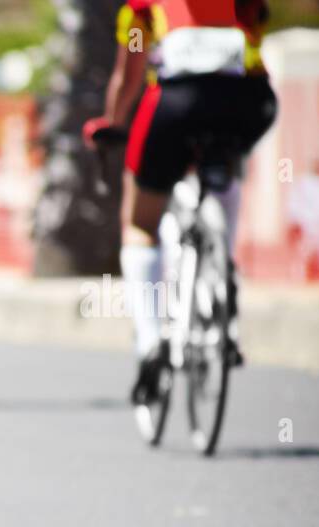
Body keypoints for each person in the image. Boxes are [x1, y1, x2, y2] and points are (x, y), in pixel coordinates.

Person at [84, 0, 276, 405]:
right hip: (251, 102)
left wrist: (113, 123)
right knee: (224, 166)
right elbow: (256, 28)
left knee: (139, 223)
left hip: (177, 102)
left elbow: (129, 73)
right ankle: (223, 271)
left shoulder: (140, 9)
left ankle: (150, 340)